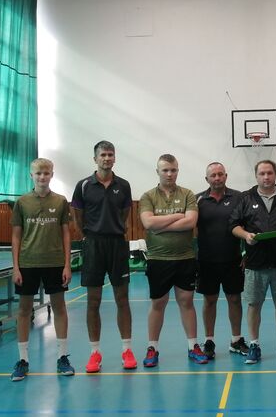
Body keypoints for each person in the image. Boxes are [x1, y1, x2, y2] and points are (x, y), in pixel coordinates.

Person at [230, 160, 276, 364]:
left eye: (269, 173)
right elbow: (234, 225)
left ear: (275, 174)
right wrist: (246, 235)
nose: (266, 177)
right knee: (254, 305)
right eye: (262, 173)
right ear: (256, 176)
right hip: (255, 262)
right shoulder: (246, 198)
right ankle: (254, 345)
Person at [72, 141, 136, 371]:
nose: (107, 158)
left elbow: (125, 213)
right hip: (93, 245)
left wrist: (113, 229)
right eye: (103, 155)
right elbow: (77, 216)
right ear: (95, 158)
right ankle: (94, 353)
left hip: (117, 244)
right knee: (93, 300)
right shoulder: (83, 185)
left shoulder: (124, 185)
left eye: (110, 154)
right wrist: (88, 236)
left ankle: (127, 350)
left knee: (122, 299)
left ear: (114, 158)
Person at [139, 154, 207, 367]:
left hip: (185, 258)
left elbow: (190, 223)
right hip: (158, 259)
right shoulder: (148, 196)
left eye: (173, 170)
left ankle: (193, 346)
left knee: (186, 301)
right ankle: (152, 348)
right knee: (158, 303)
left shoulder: (187, 194)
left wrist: (160, 225)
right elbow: (148, 223)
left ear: (177, 171)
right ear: (157, 172)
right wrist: (177, 216)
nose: (169, 174)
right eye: (165, 170)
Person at [10, 158, 75, 381]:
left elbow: (66, 233)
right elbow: (16, 236)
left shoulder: (61, 201)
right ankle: (23, 359)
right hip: (27, 263)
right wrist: (16, 266)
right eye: (38, 173)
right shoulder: (22, 202)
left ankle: (62, 356)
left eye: (46, 173)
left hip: (55, 263)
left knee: (60, 308)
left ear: (52, 175)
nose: (42, 177)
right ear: (31, 175)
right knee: (24, 310)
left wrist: (67, 264)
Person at [196, 162, 248, 359]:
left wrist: (247, 253)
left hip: (233, 259)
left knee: (234, 299)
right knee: (209, 300)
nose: (217, 178)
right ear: (206, 179)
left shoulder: (239, 198)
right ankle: (209, 341)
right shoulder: (198, 200)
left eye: (220, 174)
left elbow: (249, 225)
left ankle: (236, 340)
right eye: (213, 175)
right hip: (206, 260)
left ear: (226, 176)